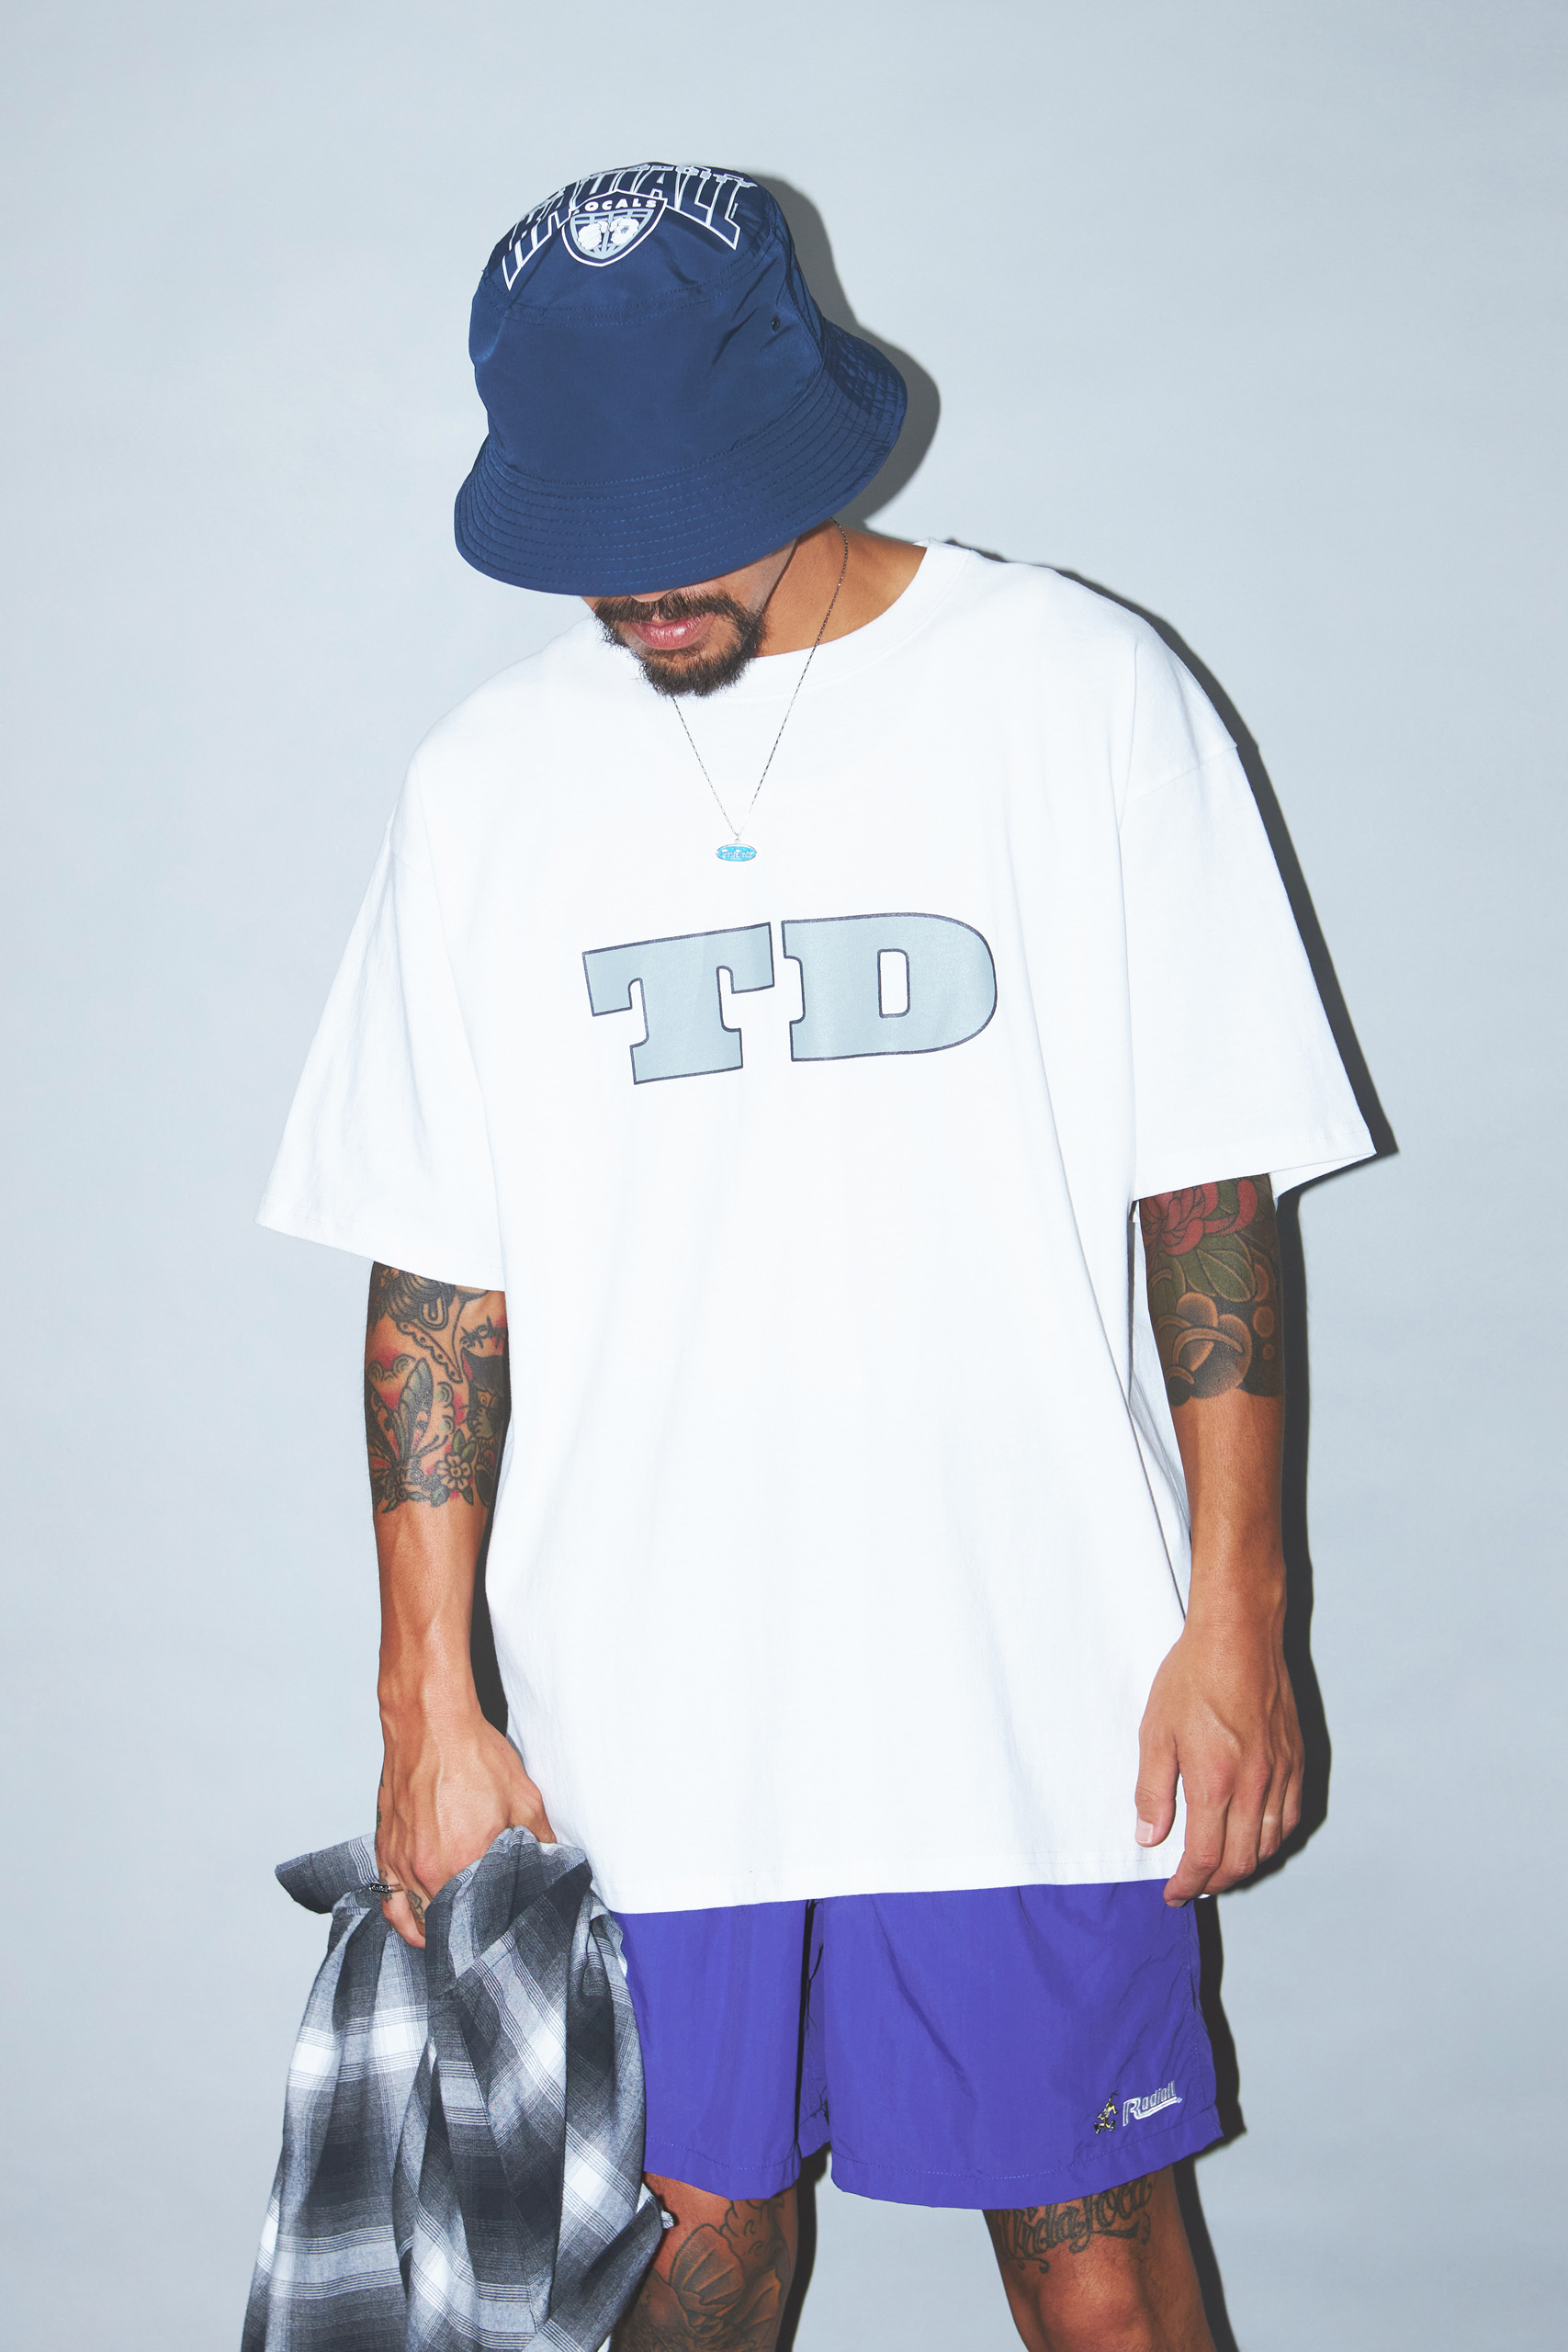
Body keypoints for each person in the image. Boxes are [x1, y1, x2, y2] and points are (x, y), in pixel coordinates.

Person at [260, 163, 1372, 2352]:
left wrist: (1240, 1610)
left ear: (805, 428)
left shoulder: (1074, 691)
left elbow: (1210, 1199)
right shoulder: (489, 781)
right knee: (682, 2257)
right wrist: (425, 1702)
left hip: (1033, 1676)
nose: (641, 580)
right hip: (637, 1719)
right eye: (593, 530)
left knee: (1096, 2259)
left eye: (688, 518)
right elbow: (435, 1282)